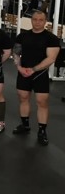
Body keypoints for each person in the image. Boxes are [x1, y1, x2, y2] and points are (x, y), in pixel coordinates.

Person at [12, 10, 60, 145]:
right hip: (24, 72)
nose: (37, 22)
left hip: (40, 74)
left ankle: (42, 131)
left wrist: (33, 70)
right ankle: (25, 125)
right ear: (31, 20)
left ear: (45, 22)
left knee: (42, 102)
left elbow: (51, 58)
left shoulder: (51, 38)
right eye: (35, 19)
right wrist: (19, 67)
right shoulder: (22, 36)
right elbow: (16, 53)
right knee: (23, 98)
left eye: (41, 20)